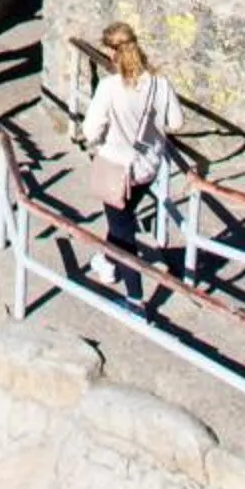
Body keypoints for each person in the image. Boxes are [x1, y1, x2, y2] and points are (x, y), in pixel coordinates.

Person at [80, 22, 182, 297]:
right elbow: (176, 122)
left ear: (112, 53)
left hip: (116, 170)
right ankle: (106, 260)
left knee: (124, 234)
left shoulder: (109, 87)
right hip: (148, 167)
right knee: (122, 220)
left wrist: (104, 141)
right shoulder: (159, 83)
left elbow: (89, 131)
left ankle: (135, 298)